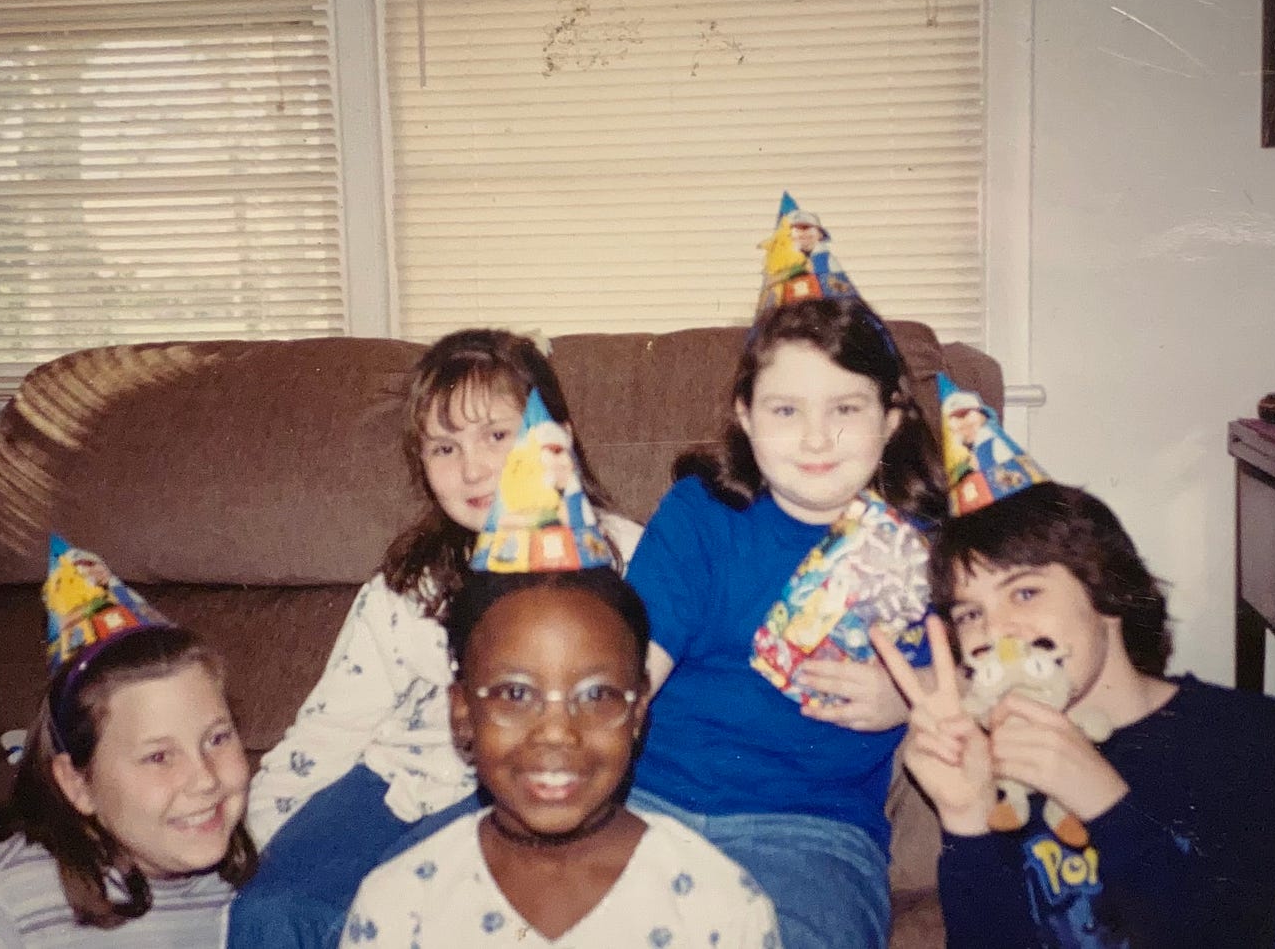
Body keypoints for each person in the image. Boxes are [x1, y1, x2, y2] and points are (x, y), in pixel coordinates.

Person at [870, 378, 1275, 948]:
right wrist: (966, 821)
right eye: (969, 614)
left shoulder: (1249, 738)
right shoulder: (996, 764)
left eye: (1024, 593)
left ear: (1107, 593)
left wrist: (1103, 802)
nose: (993, 634)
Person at [230, 329, 643, 947]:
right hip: (389, 784)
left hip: (525, 788)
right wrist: (266, 835)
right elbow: (332, 725)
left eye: (496, 436)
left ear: (557, 435)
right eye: (444, 448)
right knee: (277, 910)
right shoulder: (408, 587)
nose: (472, 467)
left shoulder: (628, 558)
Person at [625, 198, 946, 949]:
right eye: (785, 409)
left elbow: (1011, 675)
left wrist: (913, 698)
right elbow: (631, 668)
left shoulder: (925, 547)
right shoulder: (700, 513)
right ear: (743, 414)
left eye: (846, 407)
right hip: (649, 807)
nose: (816, 438)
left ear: (891, 419)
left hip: (812, 835)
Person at [340, 568, 782, 947]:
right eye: (515, 694)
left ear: (638, 713)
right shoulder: (400, 906)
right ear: (462, 714)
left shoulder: (718, 908)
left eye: (596, 695)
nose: (556, 733)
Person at [0, 538, 256, 947]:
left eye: (216, 738)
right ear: (79, 785)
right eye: (158, 756)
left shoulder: (260, 889)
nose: (204, 780)